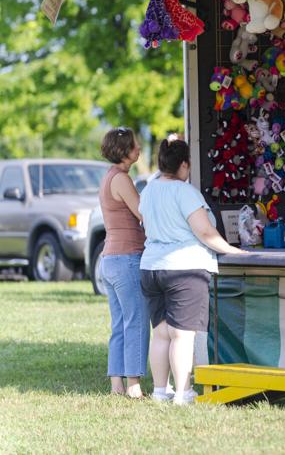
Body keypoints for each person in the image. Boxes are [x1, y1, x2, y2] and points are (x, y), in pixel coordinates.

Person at [139, 139, 249, 404]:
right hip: (184, 268)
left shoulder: (148, 189)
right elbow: (204, 231)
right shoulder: (185, 191)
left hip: (151, 267)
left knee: (162, 333)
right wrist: (233, 251)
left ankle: (159, 391)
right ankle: (183, 393)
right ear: (184, 164)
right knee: (183, 335)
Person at [99, 127, 150, 398]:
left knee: (120, 323)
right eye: (135, 145)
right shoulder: (121, 179)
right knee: (136, 321)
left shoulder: (109, 177)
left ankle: (116, 384)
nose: (139, 148)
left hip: (110, 258)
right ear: (124, 150)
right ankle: (133, 385)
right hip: (127, 258)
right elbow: (141, 213)